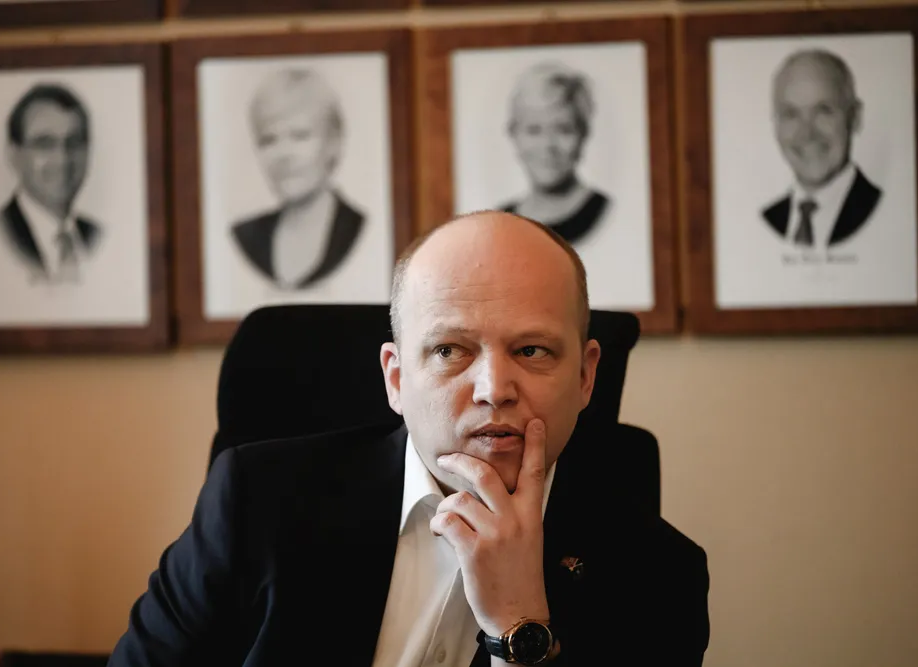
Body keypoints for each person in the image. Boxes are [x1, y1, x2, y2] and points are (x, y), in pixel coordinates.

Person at [107, 211, 709, 666]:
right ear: (396, 378)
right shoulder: (254, 501)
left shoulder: (660, 577)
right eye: (450, 350)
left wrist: (520, 625)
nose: (494, 390)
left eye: (531, 350)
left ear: (585, 377)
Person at [231, 67, 365, 290]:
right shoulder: (247, 236)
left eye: (300, 135)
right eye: (268, 139)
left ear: (333, 142)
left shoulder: (359, 228)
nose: (284, 155)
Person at [762, 48, 882, 249]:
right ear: (776, 124)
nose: (807, 133)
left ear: (855, 117)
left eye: (823, 111)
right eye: (791, 114)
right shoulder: (769, 219)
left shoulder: (883, 211)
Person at [0, 83, 102, 284]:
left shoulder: (95, 234)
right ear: (14, 155)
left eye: (74, 142)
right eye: (44, 144)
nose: (62, 159)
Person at [499, 61, 610, 245]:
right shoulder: (501, 221)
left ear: (583, 134)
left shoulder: (605, 212)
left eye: (563, 129)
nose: (548, 145)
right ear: (513, 134)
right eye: (534, 130)